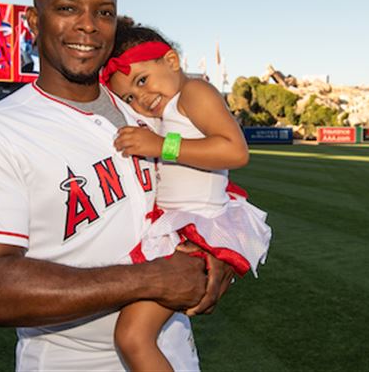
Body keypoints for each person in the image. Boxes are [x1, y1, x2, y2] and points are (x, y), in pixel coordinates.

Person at [0, 0, 236, 370]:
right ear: (32, 21)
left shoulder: (146, 108)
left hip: (173, 351)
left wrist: (218, 253)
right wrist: (151, 279)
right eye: (67, 8)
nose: (88, 25)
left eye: (104, 12)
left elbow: (208, 184)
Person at [100, 18, 272, 371]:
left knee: (133, 337)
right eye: (130, 96)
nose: (142, 98)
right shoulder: (167, 109)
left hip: (201, 225)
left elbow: (235, 151)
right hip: (177, 227)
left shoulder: (194, 92)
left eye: (143, 80)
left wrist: (162, 145)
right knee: (137, 333)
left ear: (172, 61)